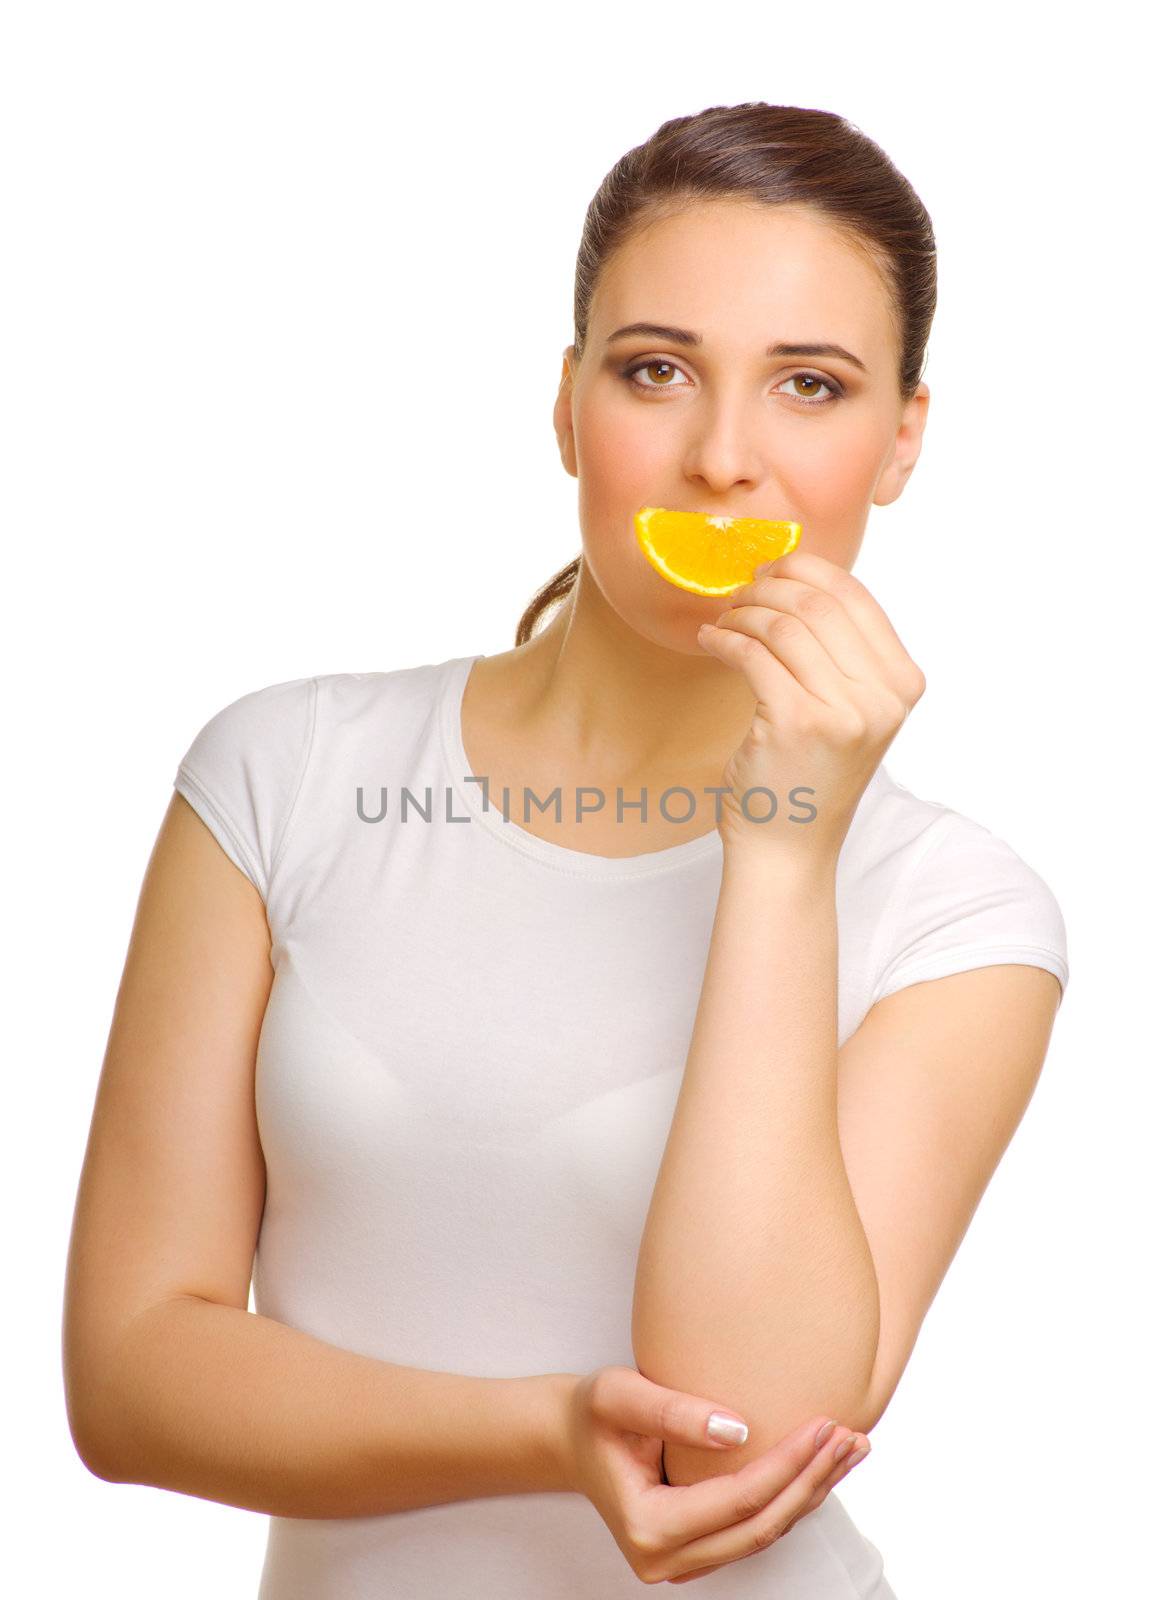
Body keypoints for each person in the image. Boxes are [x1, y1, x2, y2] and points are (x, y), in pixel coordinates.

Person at [63, 102, 1068, 1597]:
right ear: (563, 405)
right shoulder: (286, 774)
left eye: (810, 386)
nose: (723, 458)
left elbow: (755, 1434)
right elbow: (130, 1378)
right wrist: (542, 1428)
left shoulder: (960, 915)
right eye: (654, 371)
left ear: (901, 439)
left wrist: (782, 851)